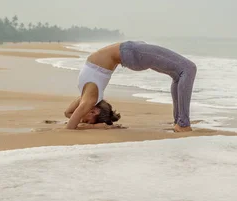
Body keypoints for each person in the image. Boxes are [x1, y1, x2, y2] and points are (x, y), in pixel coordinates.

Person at [65, 41, 197, 132]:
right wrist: (96, 126)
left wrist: (90, 125)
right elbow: (70, 126)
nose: (82, 119)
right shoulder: (90, 100)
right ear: (95, 111)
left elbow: (68, 114)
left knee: (177, 75)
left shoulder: (86, 96)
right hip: (132, 52)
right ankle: (183, 124)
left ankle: (178, 121)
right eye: (87, 121)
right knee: (188, 69)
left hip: (131, 51)